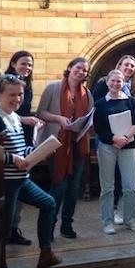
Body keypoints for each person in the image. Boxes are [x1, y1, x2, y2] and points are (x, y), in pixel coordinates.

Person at [0, 74, 61, 268]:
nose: (17, 99)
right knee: (2, 233)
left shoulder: (14, 117)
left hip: (21, 179)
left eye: (20, 94)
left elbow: (21, 150)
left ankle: (46, 254)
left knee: (48, 203)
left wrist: (41, 151)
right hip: (5, 182)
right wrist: (14, 159)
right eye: (12, 94)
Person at [37, 57, 94, 239]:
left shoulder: (87, 93)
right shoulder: (53, 87)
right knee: (59, 185)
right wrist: (59, 119)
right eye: (78, 68)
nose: (81, 72)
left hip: (78, 144)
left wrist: (82, 125)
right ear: (70, 68)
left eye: (85, 70)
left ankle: (67, 224)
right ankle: (50, 226)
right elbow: (41, 113)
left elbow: (89, 117)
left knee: (73, 188)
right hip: (57, 144)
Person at [92, 55, 135, 224]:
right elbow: (98, 126)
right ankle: (108, 221)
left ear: (123, 83)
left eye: (119, 82)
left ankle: (130, 220)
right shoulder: (100, 103)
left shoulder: (130, 100)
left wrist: (125, 138)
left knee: (129, 187)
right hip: (107, 145)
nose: (116, 84)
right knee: (108, 187)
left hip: (127, 146)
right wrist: (114, 138)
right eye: (113, 81)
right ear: (107, 83)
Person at [5, 51, 43, 246]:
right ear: (13, 64)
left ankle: (13, 229)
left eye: (30, 65)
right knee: (11, 188)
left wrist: (33, 122)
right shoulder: (5, 83)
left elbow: (23, 111)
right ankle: (6, 231)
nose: (27, 68)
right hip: (9, 138)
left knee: (19, 184)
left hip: (24, 136)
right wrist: (24, 119)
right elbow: (3, 112)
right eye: (24, 64)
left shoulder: (26, 86)